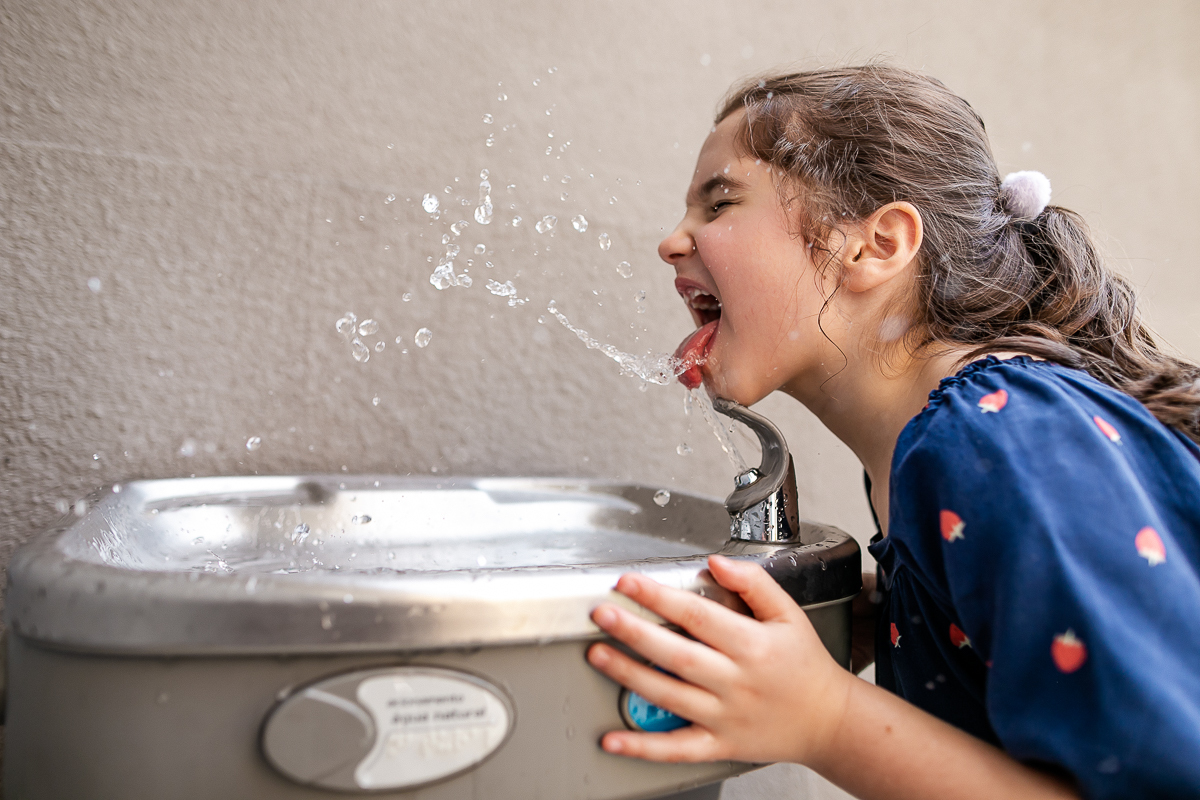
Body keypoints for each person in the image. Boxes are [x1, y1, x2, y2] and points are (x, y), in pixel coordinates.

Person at [586, 65, 1200, 799]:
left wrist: (824, 718)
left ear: (876, 245)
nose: (671, 243)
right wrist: (883, 616)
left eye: (720, 202)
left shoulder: (994, 435)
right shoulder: (938, 445)